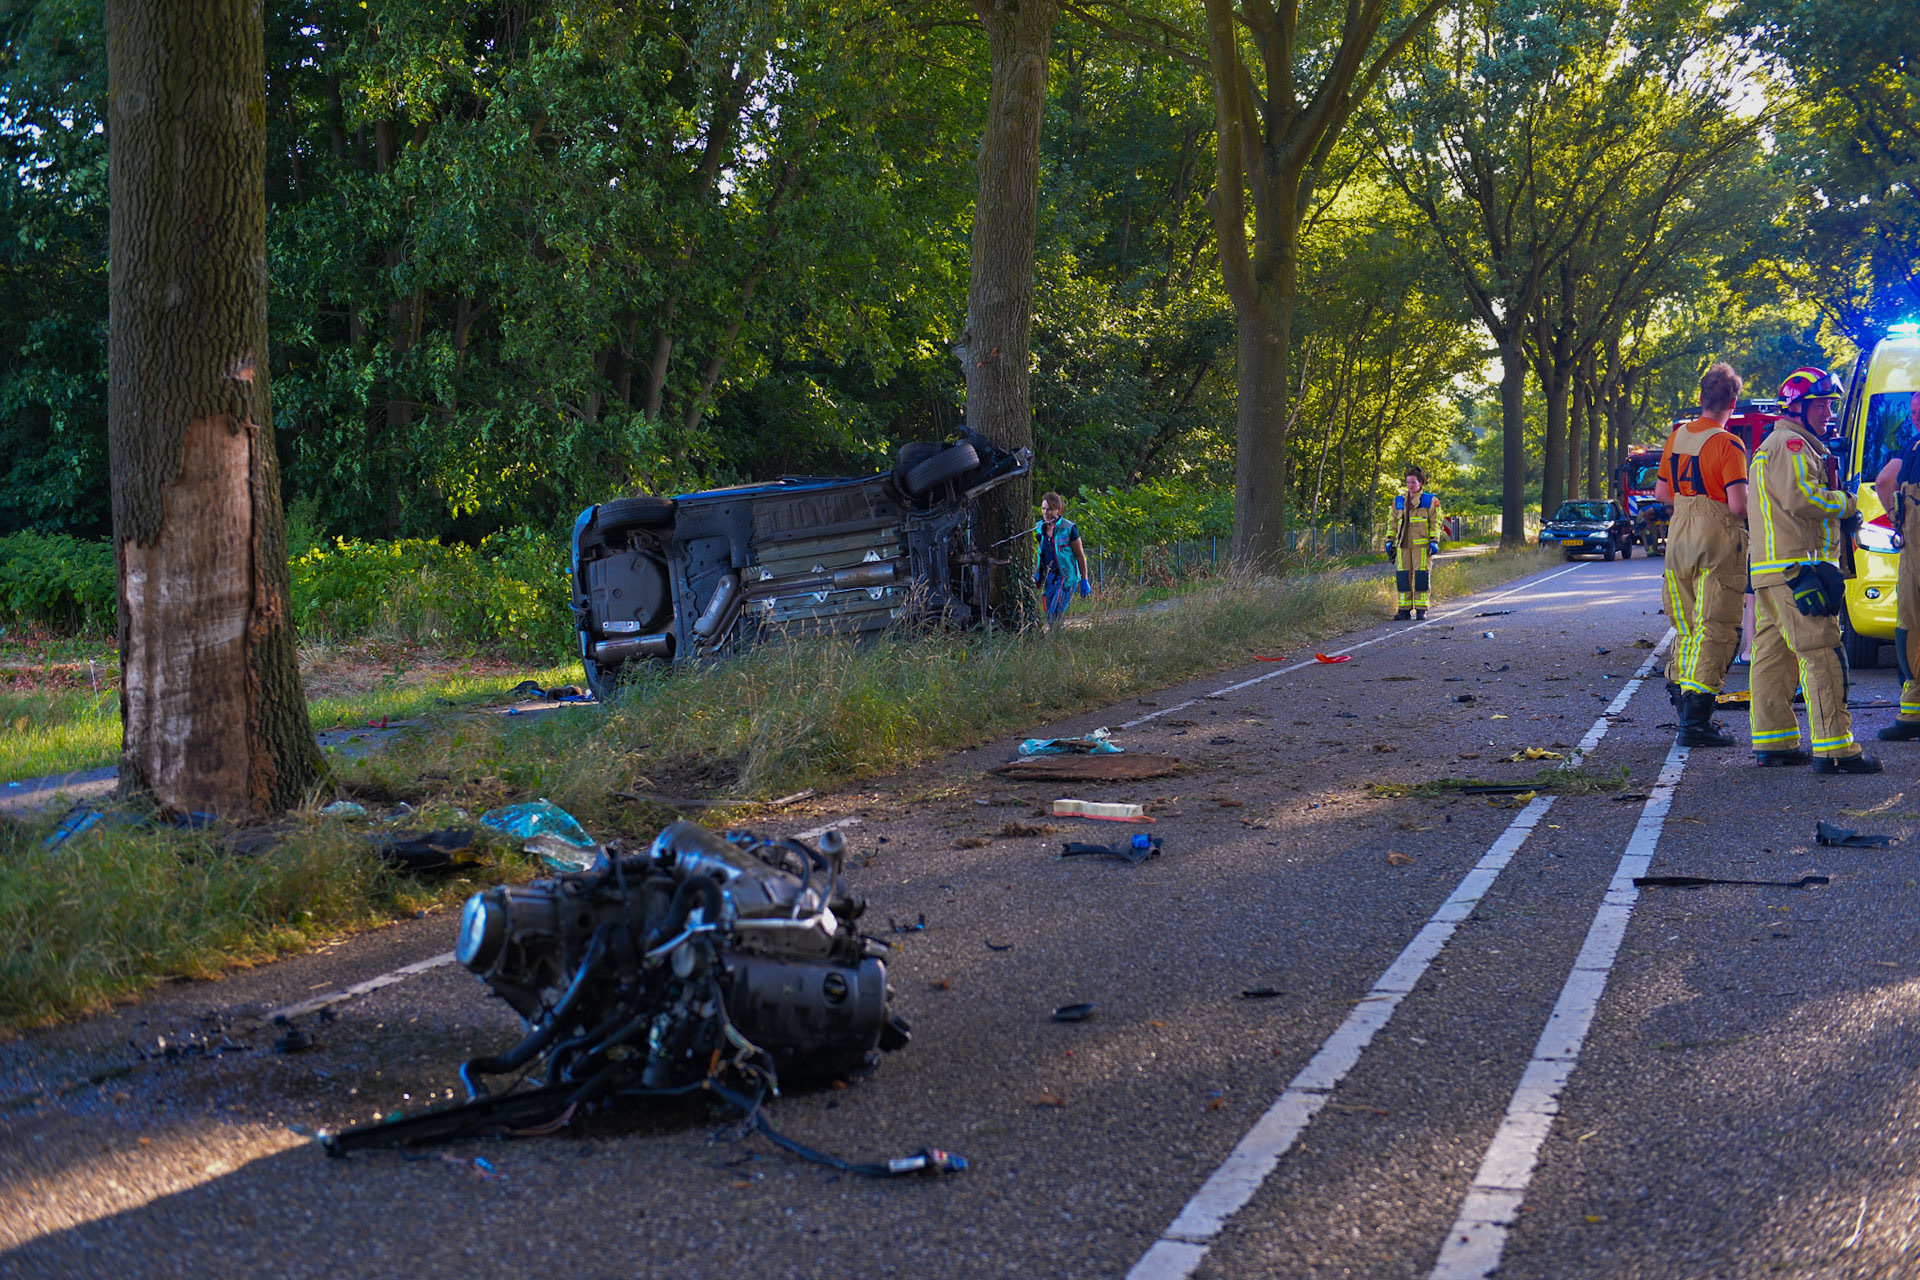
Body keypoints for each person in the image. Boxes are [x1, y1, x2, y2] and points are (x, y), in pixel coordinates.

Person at [1748, 366, 1881, 773]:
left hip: (1773, 572)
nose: (1828, 413)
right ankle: (1835, 750)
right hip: (1798, 570)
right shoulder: (1790, 445)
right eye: (1821, 404)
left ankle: (1776, 743)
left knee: (1773, 657)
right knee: (1821, 653)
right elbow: (1802, 498)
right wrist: (1847, 503)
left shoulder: (1778, 444)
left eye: (1829, 404)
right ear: (1798, 407)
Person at [1652, 362, 1750, 748]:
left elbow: (1662, 494)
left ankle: (1682, 699)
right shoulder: (1728, 444)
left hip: (1679, 537)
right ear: (1733, 401)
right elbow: (1738, 504)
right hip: (1717, 539)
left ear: (1700, 397)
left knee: (1688, 624)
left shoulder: (1677, 438)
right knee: (1717, 627)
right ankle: (1696, 723)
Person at [1871, 390, 1920, 740]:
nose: (1916, 416)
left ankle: (1913, 710)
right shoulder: (1913, 447)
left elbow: (1884, 482)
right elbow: (1883, 483)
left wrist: (1896, 516)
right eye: (1914, 411)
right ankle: (1912, 709)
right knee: (1909, 626)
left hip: (1912, 546)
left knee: (1910, 624)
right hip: (1912, 547)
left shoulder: (1913, 449)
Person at [1386, 466, 1441, 620]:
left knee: (1421, 576)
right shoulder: (1398, 502)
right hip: (1403, 546)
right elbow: (1392, 523)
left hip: (1422, 546)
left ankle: (1421, 609)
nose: (1410, 485)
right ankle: (1404, 610)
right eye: (1408, 482)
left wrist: (1434, 541)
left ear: (1421, 483)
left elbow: (1435, 522)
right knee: (1403, 577)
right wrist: (1389, 541)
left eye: (1413, 482)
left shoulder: (1430, 500)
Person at [1034, 491, 1091, 621]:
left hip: (1066, 577)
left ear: (1058, 510)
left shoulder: (1069, 528)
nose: (1045, 513)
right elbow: (1041, 553)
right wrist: (1038, 574)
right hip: (1050, 576)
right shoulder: (1039, 528)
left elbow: (1080, 555)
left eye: (1050, 510)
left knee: (1056, 614)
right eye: (1043, 509)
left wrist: (1084, 580)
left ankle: (1056, 638)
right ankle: (1055, 638)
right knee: (1049, 614)